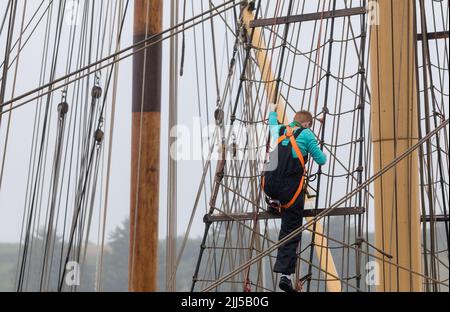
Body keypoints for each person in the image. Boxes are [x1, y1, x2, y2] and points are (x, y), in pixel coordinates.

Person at [264, 103, 326, 292]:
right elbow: (321, 160)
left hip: (269, 185)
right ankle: (285, 276)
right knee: (291, 229)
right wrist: (313, 144)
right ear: (307, 124)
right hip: (290, 190)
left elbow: (271, 124)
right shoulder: (307, 135)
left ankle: (274, 202)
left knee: (280, 199)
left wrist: (272, 109)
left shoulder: (281, 130)